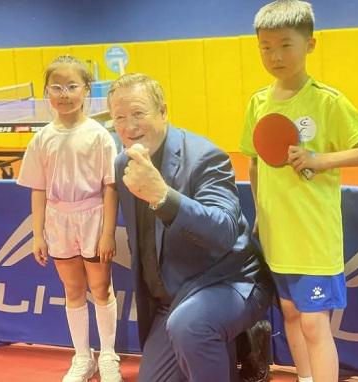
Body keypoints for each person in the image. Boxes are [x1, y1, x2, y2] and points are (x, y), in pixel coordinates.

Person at [240, 1, 358, 381]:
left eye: (286, 45)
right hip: (278, 234)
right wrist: (260, 210)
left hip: (313, 237)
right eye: (266, 46)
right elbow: (255, 162)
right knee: (291, 314)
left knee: (313, 324)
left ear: (310, 44)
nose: (275, 56)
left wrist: (319, 159)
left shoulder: (327, 100)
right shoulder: (257, 103)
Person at [108, 73, 274, 382]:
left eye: (138, 113)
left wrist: (164, 197)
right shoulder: (123, 165)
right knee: (184, 327)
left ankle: (240, 333)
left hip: (229, 280)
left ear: (164, 112)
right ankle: (236, 344)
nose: (129, 127)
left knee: (192, 325)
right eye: (119, 117)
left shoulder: (205, 157)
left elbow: (223, 232)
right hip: (173, 300)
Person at [17, 55, 123, 382]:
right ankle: (82, 357)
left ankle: (108, 355)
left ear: (86, 90)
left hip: (92, 217)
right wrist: (38, 234)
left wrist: (107, 232)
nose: (64, 94)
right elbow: (37, 189)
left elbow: (110, 186)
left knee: (101, 287)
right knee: (73, 290)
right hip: (58, 220)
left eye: (72, 86)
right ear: (47, 93)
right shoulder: (42, 138)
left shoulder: (100, 136)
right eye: (56, 87)